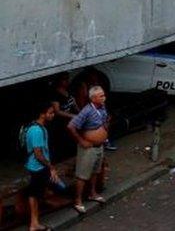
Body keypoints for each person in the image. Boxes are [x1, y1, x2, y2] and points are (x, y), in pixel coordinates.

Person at [67, 86, 110, 214]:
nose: (104, 97)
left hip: (99, 146)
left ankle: (92, 193)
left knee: (95, 171)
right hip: (88, 148)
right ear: (93, 98)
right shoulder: (86, 111)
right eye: (101, 96)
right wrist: (81, 141)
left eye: (103, 95)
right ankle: (78, 200)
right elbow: (71, 126)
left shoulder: (102, 108)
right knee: (83, 174)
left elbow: (103, 122)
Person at [24, 100, 59, 231]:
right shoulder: (37, 130)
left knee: (37, 192)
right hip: (37, 167)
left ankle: (35, 221)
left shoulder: (36, 127)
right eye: (50, 113)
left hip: (37, 166)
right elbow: (38, 154)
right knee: (34, 194)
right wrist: (50, 167)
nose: (52, 115)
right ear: (42, 114)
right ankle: (34, 223)